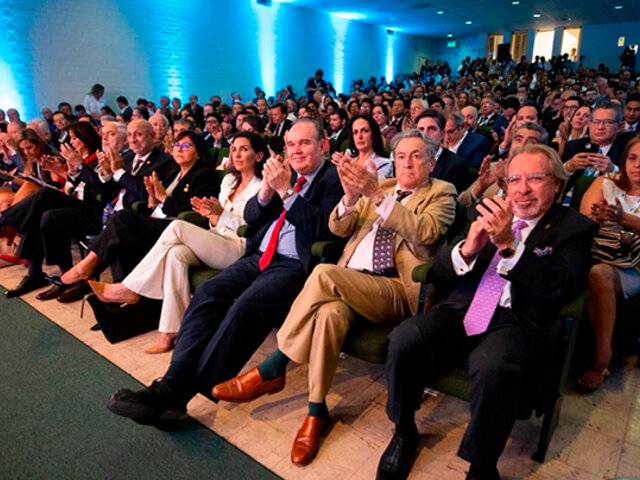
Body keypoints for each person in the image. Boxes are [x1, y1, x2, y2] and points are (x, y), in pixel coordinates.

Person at [213, 130, 457, 466]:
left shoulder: (442, 192)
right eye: (401, 156)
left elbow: (425, 232)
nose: (407, 163)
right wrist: (351, 198)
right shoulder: (381, 187)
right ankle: (316, 412)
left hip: (396, 289)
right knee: (329, 316)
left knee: (323, 274)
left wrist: (376, 195)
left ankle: (274, 366)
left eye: (416, 156)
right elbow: (339, 228)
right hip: (352, 282)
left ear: (431, 162)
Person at [375, 143, 597, 480]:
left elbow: (560, 287)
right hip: (465, 308)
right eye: (515, 180)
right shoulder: (487, 210)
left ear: (556, 183)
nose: (522, 189)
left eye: (535, 178)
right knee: (405, 337)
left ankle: (482, 465)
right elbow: (438, 268)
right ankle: (404, 430)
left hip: (520, 320)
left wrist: (510, 245)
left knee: (492, 364)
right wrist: (466, 250)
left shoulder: (575, 227)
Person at [105, 118, 343, 424]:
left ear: (323, 145)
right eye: (291, 144)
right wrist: (267, 190)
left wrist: (286, 191)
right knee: (208, 292)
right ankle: (174, 379)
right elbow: (253, 217)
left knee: (245, 305)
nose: (296, 150)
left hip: (294, 265)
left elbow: (323, 229)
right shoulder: (288, 176)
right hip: (259, 255)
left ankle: (177, 394)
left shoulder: (332, 179)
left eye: (304, 143)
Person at [89, 132, 265, 353]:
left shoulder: (261, 187)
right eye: (234, 149)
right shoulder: (229, 181)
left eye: (244, 149)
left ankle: (128, 287)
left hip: (239, 247)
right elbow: (214, 221)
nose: (236, 154)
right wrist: (211, 215)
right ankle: (171, 332)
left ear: (258, 156)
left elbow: (253, 228)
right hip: (217, 238)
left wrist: (221, 216)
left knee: (177, 227)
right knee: (176, 254)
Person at [59, 131, 219, 288]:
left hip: (178, 229)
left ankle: (87, 268)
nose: (179, 149)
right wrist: (153, 201)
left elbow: (191, 212)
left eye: (186, 146)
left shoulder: (204, 175)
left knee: (122, 219)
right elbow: (158, 206)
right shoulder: (174, 173)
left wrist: (163, 198)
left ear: (198, 153)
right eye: (177, 145)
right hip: (159, 222)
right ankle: (120, 290)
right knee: (120, 239)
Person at [0, 123, 106, 298]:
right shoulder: (77, 159)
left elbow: (98, 192)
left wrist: (63, 172)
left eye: (74, 138)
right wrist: (64, 172)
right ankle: (46, 275)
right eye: (70, 138)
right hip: (75, 203)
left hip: (93, 210)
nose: (71, 142)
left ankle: (6, 222)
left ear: (86, 138)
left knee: (45, 195)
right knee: (42, 215)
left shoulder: (98, 158)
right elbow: (72, 188)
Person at [577, 137, 640, 391]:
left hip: (632, 266)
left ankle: (602, 358)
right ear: (623, 161)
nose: (637, 165)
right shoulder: (606, 183)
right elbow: (583, 218)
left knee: (599, 274)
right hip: (596, 251)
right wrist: (598, 217)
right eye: (633, 158)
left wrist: (624, 218)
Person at [415, 109, 470, 192]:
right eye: (421, 129)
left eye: (431, 129)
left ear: (442, 134)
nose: (425, 134)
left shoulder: (457, 165)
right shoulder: (408, 161)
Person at [332, 114, 392, 178]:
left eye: (365, 131)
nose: (359, 136)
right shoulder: (349, 163)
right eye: (355, 132)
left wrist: (349, 169)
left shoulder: (384, 164)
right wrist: (341, 168)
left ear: (373, 134)